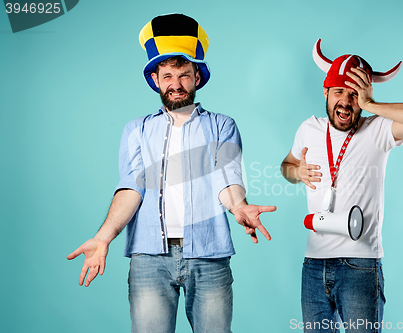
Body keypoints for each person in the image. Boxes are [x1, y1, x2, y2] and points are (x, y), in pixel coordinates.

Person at [67, 14, 276, 333]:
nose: (176, 84)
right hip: (149, 259)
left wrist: (238, 206)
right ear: (155, 79)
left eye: (184, 75)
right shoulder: (136, 130)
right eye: (167, 76)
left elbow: (227, 178)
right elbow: (131, 188)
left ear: (197, 78)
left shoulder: (222, 125)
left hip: (209, 256)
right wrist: (103, 236)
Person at [281, 39, 403, 332]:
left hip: (360, 265)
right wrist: (297, 171)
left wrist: (371, 105)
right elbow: (286, 167)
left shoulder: (377, 129)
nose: (346, 101)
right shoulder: (308, 129)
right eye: (339, 91)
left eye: (354, 94)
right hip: (314, 265)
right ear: (326, 92)